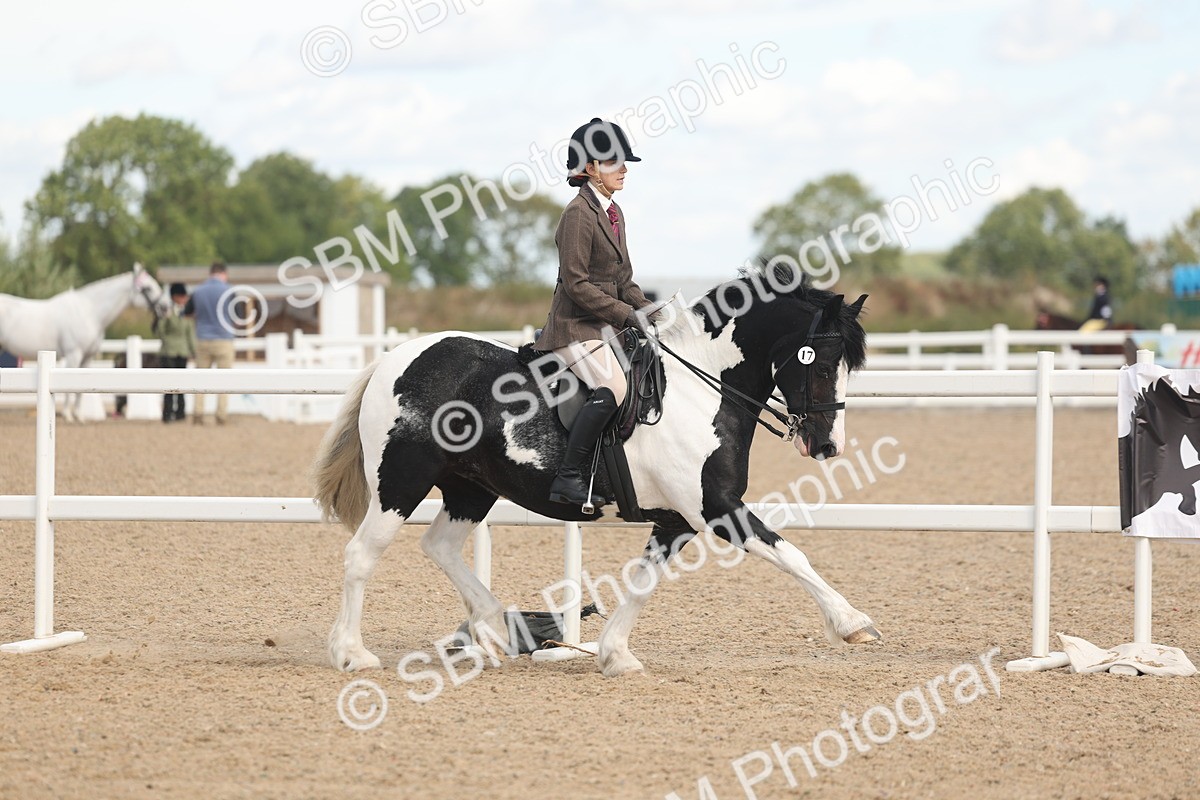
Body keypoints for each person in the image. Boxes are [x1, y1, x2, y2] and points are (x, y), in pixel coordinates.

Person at [533, 118, 659, 508]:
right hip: (573, 328)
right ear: (590, 169)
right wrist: (625, 315)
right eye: (614, 163)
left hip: (602, 327)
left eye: (624, 163)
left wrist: (651, 313)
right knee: (615, 388)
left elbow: (623, 278)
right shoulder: (578, 214)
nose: (624, 169)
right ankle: (569, 477)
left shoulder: (613, 212)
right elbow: (576, 283)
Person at [184, 261, 236, 425]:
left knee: (200, 379)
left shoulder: (198, 291)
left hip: (203, 339)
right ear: (223, 274)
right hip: (224, 340)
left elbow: (187, 312)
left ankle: (198, 414)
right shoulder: (229, 290)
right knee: (224, 380)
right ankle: (221, 415)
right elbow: (237, 315)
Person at [155, 283, 195, 422]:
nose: (184, 299)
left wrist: (193, 351)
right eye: (182, 296)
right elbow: (160, 332)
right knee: (168, 385)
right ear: (175, 297)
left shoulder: (186, 313)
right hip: (169, 352)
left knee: (182, 384)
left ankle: (180, 413)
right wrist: (164, 318)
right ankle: (167, 413)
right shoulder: (168, 312)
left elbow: (190, 333)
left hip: (182, 352)